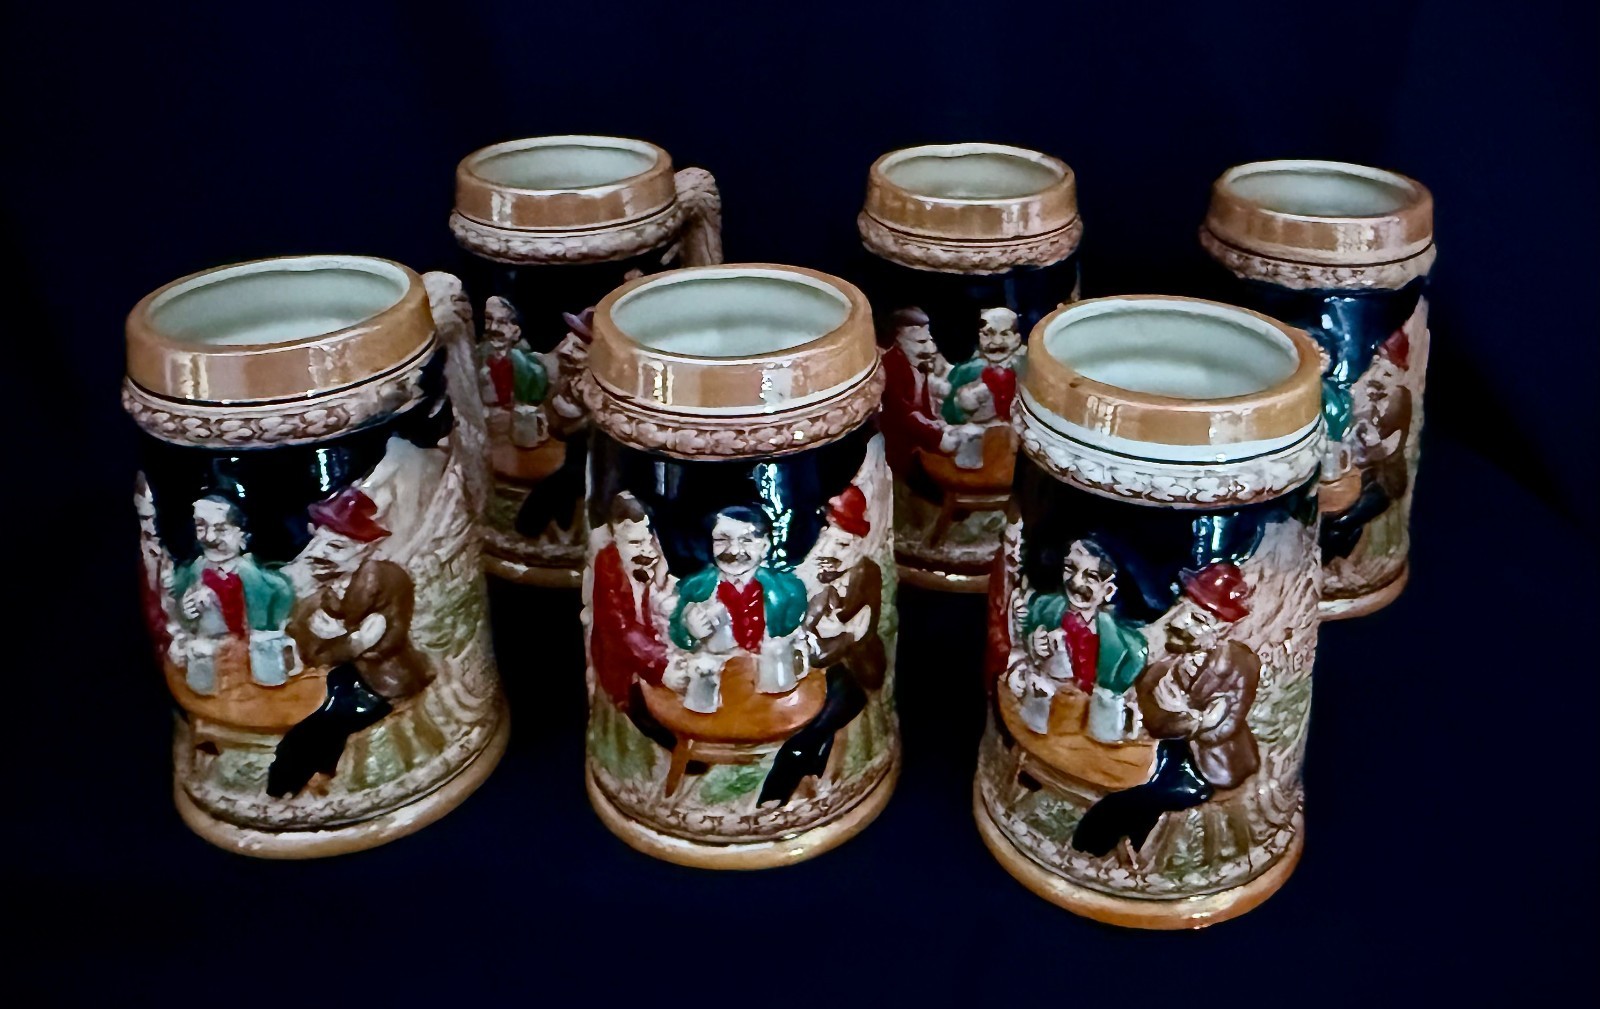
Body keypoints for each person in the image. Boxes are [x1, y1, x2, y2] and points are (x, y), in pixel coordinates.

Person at [1071, 562, 1260, 856]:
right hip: (1166, 750)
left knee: (1144, 797)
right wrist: (1185, 717)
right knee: (1124, 776)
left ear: (1222, 628)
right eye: (1183, 609)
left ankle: (1098, 847)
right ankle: (1123, 850)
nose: (1181, 622)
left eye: (1197, 618)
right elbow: (1158, 722)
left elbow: (1223, 726)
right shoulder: (1163, 666)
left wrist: (1186, 715)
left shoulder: (1239, 663)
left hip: (1211, 762)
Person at [269, 488, 429, 797]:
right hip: (347, 676)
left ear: (368, 549)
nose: (320, 552)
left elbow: (367, 641)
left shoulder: (382, 581)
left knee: (315, 727)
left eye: (336, 546)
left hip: (382, 683)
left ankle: (287, 785)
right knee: (312, 711)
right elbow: (313, 631)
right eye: (319, 540)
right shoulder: (332, 584)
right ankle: (318, 774)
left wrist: (343, 640)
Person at [761, 486, 885, 804]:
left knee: (804, 736)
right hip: (820, 671)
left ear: (859, 546)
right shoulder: (818, 578)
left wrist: (829, 637)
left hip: (855, 673)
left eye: (842, 543)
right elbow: (803, 625)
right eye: (825, 538)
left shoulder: (863, 577)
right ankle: (813, 776)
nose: (829, 550)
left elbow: (837, 644)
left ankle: (773, 799)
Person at [1010, 538, 1148, 736]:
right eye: (1070, 568)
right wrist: (1034, 646)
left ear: (1108, 591)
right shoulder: (1043, 608)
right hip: (1049, 718)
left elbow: (1122, 688)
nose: (1075, 582)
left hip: (1090, 727)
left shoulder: (1128, 648)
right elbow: (1020, 645)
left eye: (1091, 576)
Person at [168, 495, 295, 696]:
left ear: (243, 537)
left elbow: (281, 595)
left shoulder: (259, 578)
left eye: (221, 529)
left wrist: (272, 628)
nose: (209, 538)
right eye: (201, 527)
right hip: (213, 651)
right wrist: (187, 608)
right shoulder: (195, 571)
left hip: (251, 653)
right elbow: (178, 605)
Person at [588, 493, 677, 748]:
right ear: (615, 537)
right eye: (635, 543)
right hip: (629, 668)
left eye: (652, 540)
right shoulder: (608, 568)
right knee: (652, 719)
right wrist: (663, 663)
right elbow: (622, 630)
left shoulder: (663, 561)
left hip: (664, 654)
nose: (647, 550)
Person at [668, 506, 809, 655]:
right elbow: (676, 628)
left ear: (765, 546)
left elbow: (796, 631)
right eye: (722, 540)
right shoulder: (694, 587)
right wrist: (689, 630)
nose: (734, 550)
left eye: (747, 540)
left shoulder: (789, 589)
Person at [1323, 329, 1413, 559]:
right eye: (1375, 365)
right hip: (1347, 477)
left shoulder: (1398, 399)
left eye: (1388, 372)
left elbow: (1389, 449)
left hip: (1381, 480)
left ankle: (1335, 564)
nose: (1379, 376)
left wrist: (1370, 439)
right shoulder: (1356, 393)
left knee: (1342, 522)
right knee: (1331, 519)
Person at [939, 307, 1024, 468]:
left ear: (1017, 338)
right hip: (980, 426)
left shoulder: (1024, 364)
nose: (997, 342)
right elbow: (949, 406)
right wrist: (962, 403)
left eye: (1005, 334)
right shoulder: (969, 370)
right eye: (988, 334)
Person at [879, 307, 951, 480]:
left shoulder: (919, 364)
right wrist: (938, 436)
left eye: (929, 340)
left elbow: (923, 407)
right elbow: (906, 415)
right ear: (899, 340)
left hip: (921, 438)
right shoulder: (891, 367)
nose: (929, 348)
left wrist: (939, 424)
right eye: (920, 342)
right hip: (902, 448)